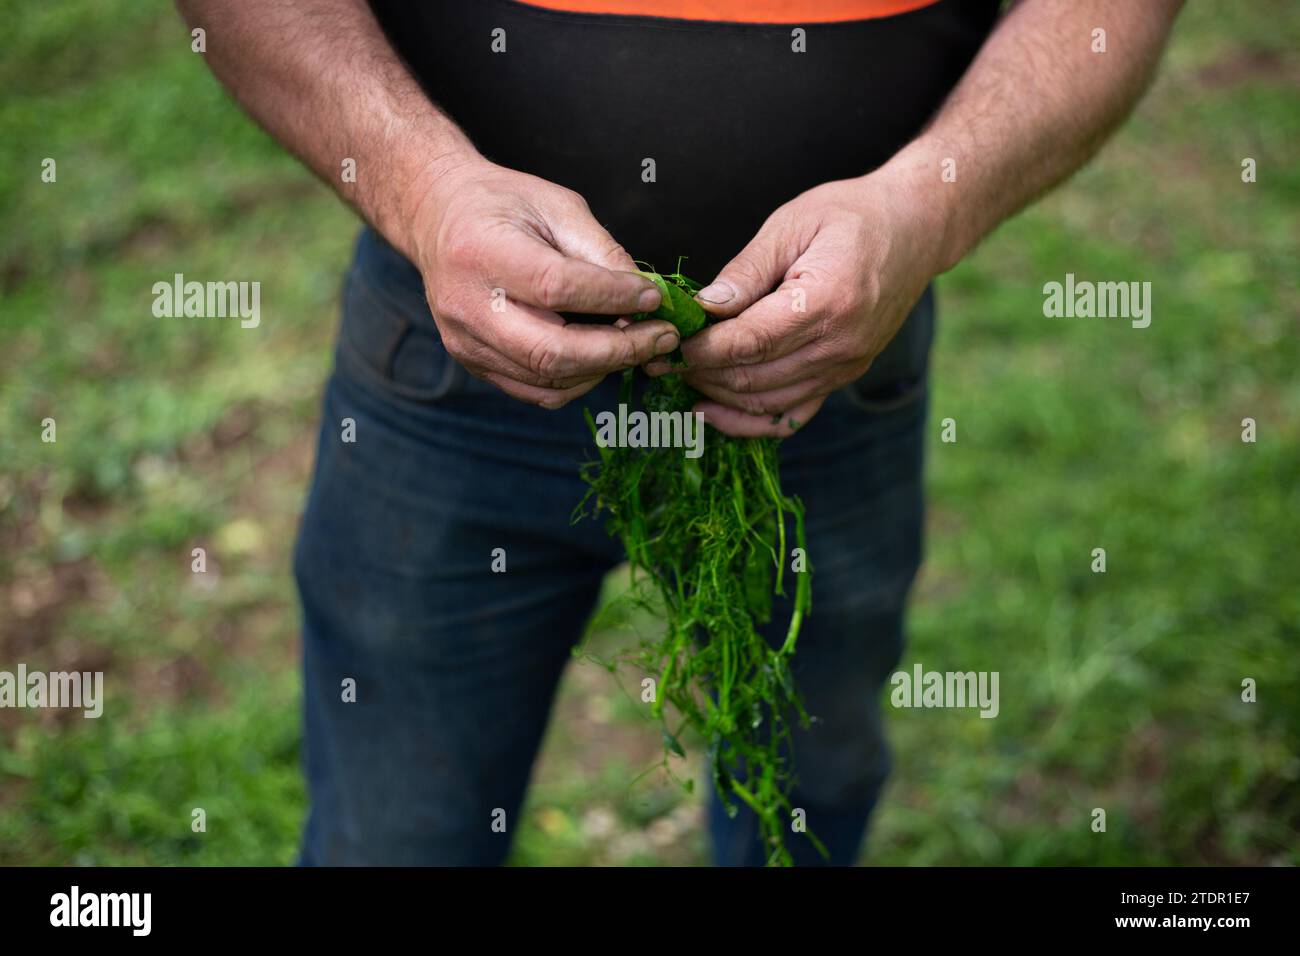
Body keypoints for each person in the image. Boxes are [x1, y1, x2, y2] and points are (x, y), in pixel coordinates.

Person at [178, 0, 1183, 865]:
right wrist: (423, 189)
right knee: (394, 829)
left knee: (808, 783)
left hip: (823, 363)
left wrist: (925, 207)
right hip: (457, 355)